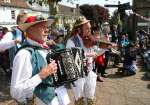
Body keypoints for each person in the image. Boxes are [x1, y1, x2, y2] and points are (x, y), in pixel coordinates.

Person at [10, 15, 70, 105]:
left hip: (58, 98)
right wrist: (41, 75)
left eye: (47, 27)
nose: (47, 30)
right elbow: (16, 92)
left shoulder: (46, 48)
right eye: (43, 27)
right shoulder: (24, 54)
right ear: (30, 29)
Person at [66, 16, 97, 105]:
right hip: (77, 75)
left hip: (89, 72)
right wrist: (88, 55)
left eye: (90, 28)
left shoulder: (89, 39)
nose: (89, 30)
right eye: (87, 28)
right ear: (79, 29)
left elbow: (95, 52)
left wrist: (105, 48)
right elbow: (69, 56)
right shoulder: (71, 41)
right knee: (79, 100)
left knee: (90, 98)